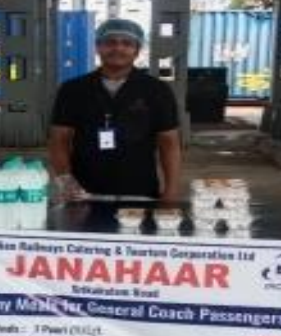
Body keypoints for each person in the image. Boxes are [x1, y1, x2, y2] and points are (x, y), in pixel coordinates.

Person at [48, 18, 182, 202]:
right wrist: (66, 182)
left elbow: (169, 144)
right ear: (97, 47)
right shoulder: (73, 90)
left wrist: (171, 191)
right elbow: (59, 141)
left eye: (127, 43)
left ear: (137, 50)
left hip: (140, 191)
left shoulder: (157, 90)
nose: (118, 48)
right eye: (110, 42)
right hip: (83, 192)